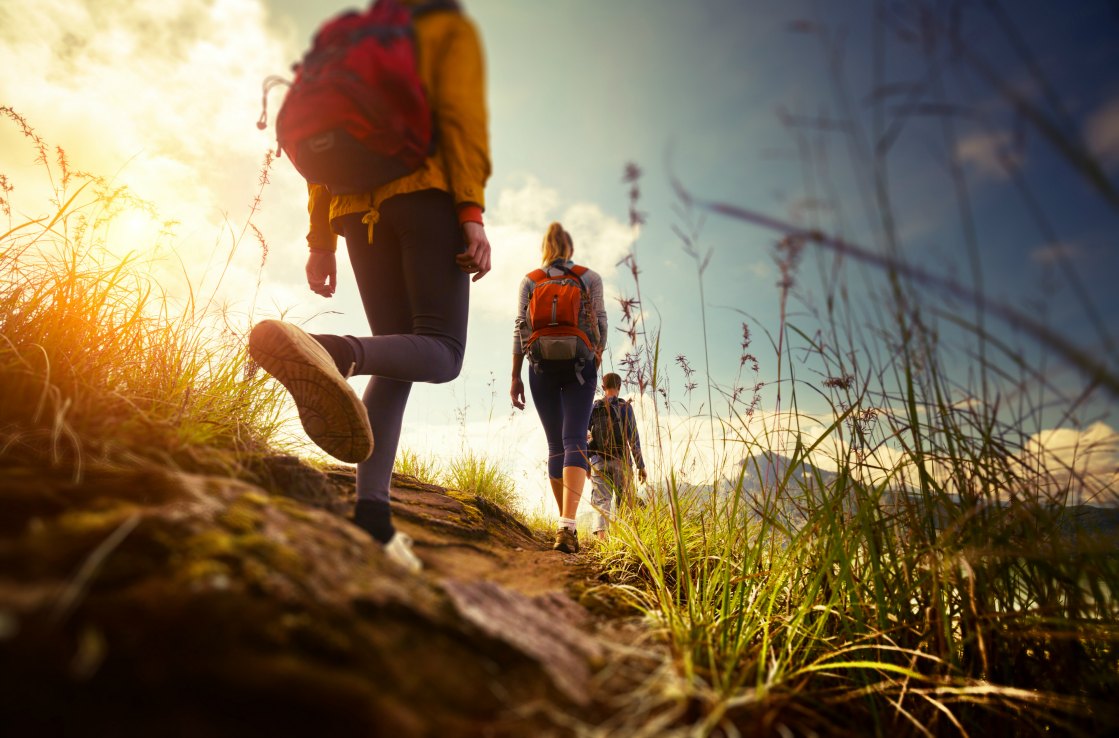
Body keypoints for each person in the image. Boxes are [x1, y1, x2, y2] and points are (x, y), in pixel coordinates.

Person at [249, 0, 490, 574]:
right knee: (442, 351)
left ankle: (373, 520)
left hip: (355, 213)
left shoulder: (349, 33)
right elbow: (461, 119)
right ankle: (333, 352)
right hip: (425, 199)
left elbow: (324, 156)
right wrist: (472, 213)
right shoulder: (443, 26)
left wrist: (320, 241)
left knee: (399, 358)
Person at [511, 223, 607, 554]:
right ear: (570, 247)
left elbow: (519, 328)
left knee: (555, 445)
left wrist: (516, 375)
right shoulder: (589, 277)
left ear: (545, 247)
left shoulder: (530, 280)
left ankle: (564, 524)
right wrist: (595, 356)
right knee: (575, 440)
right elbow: (602, 323)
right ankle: (567, 522)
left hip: (539, 368)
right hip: (581, 366)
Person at [588, 372, 647, 540]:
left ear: (603, 387)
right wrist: (640, 466)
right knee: (625, 501)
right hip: (622, 461)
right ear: (619, 387)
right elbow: (633, 438)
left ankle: (602, 540)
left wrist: (586, 464)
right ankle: (624, 541)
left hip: (598, 461)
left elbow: (585, 435)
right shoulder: (625, 407)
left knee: (601, 501)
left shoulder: (594, 407)